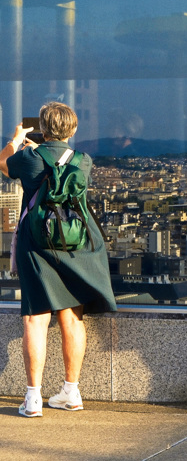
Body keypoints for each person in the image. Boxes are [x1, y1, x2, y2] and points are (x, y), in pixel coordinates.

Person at [0, 102, 117, 418]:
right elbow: (60, 171)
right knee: (72, 315)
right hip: (75, 242)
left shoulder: (30, 158)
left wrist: (15, 137)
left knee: (35, 318)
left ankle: (34, 398)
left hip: (37, 244)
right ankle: (71, 391)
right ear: (74, 129)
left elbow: (3, 163)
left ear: (42, 127)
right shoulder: (83, 161)